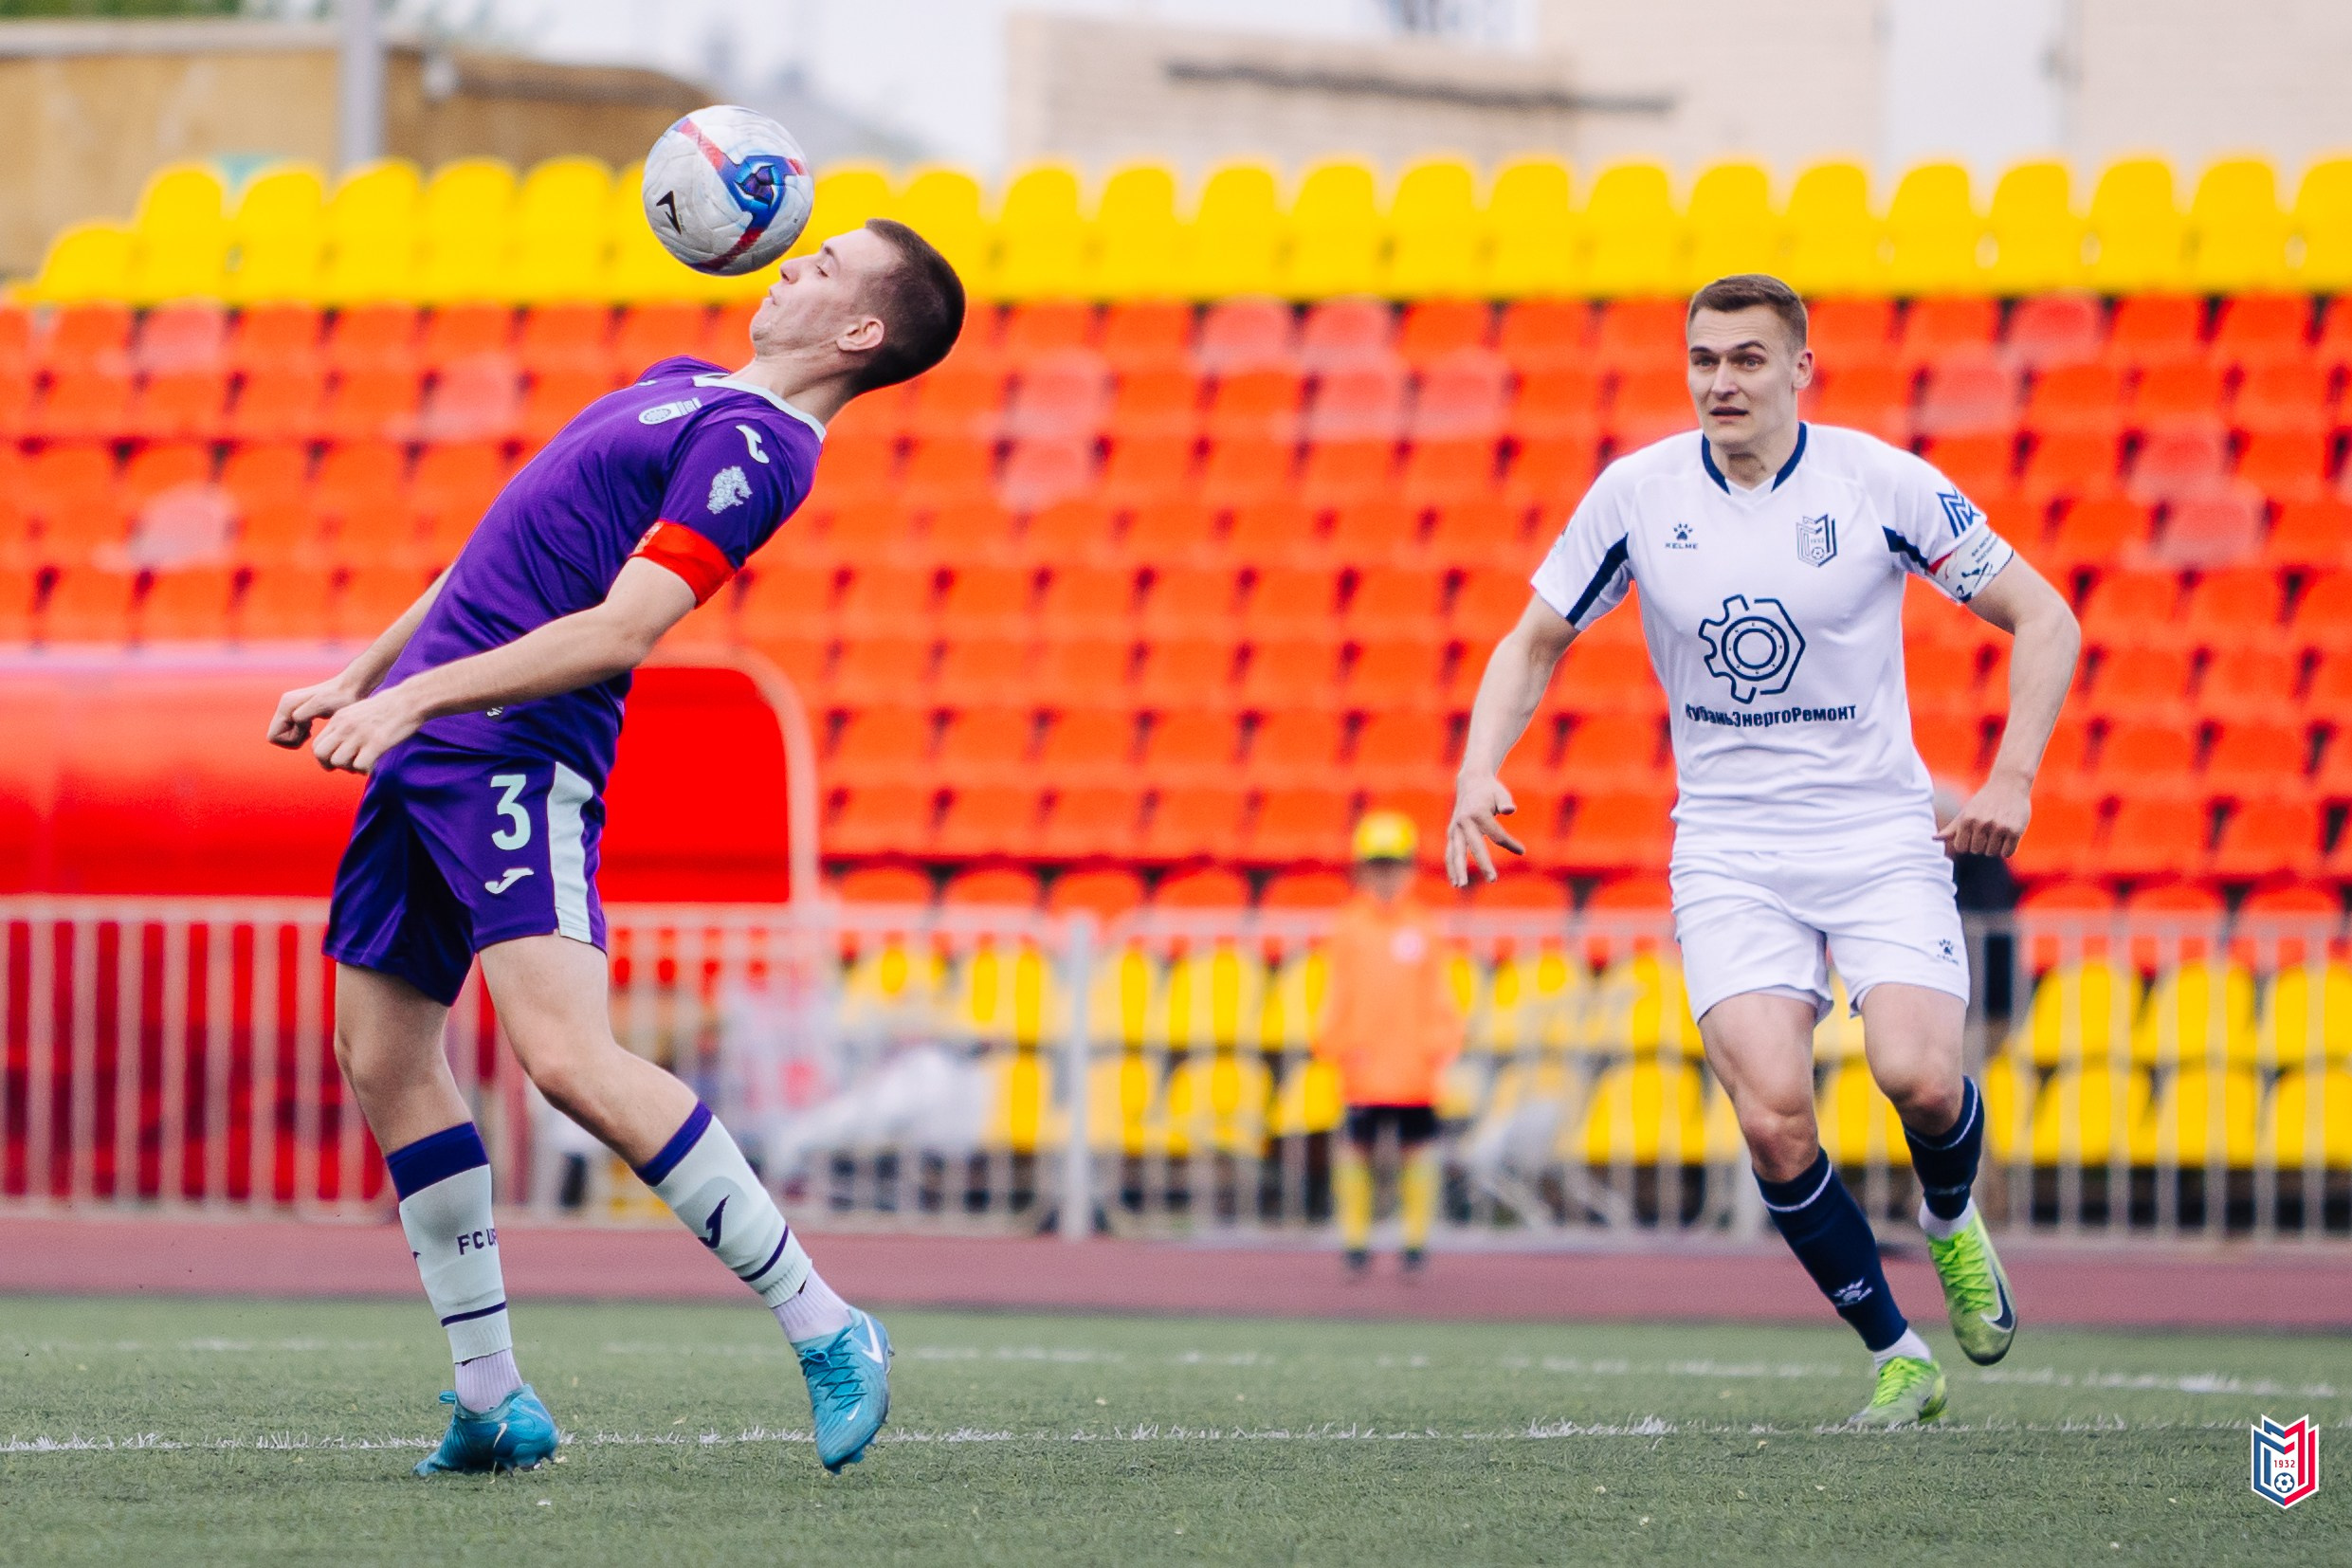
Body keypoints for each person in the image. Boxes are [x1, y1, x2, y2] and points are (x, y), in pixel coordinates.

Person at [265, 219, 965, 1476]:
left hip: (514, 756)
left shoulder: (755, 447)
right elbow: (498, 545)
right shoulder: (681, 385)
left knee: (567, 1058)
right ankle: (493, 1399)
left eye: (826, 265)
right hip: (427, 744)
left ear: (863, 331)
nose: (791, 262)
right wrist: (366, 669)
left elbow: (624, 628)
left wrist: (422, 698)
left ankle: (829, 1324)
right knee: (381, 1053)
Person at [1446, 274, 2079, 1428]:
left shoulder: (1879, 482)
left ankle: (1949, 1217)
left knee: (1923, 1078)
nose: (1721, 380)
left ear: (1800, 370)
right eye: (1703, 359)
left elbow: (2047, 615)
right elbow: (1532, 640)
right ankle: (1895, 1352)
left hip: (1877, 832)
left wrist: (2011, 780)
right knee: (1773, 1111)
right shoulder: (1636, 494)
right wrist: (1477, 766)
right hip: (1731, 848)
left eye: (1746, 358)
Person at [1315, 811, 1467, 1276]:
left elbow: (1439, 993)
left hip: (1413, 1065)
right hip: (1362, 1061)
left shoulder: (1423, 926)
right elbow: (1336, 992)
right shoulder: (1348, 927)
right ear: (1362, 869)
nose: (1384, 875)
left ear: (1408, 868)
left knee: (1416, 1151)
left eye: (1393, 864)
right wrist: (1333, 1041)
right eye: (1376, 865)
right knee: (1355, 1149)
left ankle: (1415, 1242)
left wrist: (1440, 1040)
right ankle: (1355, 1242)